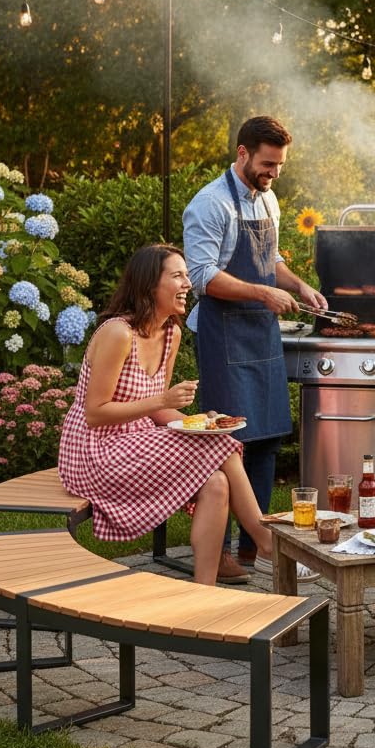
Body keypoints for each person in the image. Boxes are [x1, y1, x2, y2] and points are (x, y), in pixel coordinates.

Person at [58, 244, 275, 586]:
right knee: (220, 448)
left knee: (217, 478)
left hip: (136, 441)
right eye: (177, 276)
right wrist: (162, 399)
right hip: (93, 450)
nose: (188, 283)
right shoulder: (118, 334)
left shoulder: (171, 333)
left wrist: (202, 422)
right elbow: (95, 413)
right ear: (149, 286)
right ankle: (265, 539)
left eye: (187, 275)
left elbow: (159, 410)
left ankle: (203, 592)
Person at [183, 115, 326, 583]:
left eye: (280, 165)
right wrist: (265, 294)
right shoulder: (209, 205)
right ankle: (217, 550)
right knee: (227, 442)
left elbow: (272, 260)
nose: (274, 174)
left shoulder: (269, 199)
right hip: (223, 334)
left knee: (266, 439)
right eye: (267, 164)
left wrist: (299, 286)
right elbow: (202, 277)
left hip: (261, 333)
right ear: (242, 153)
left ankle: (255, 547)